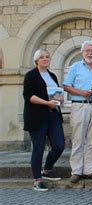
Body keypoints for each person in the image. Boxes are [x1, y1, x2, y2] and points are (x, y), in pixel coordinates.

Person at [63, 40, 92, 183]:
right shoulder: (75, 67)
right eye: (87, 50)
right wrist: (82, 93)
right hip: (80, 105)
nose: (90, 53)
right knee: (78, 139)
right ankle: (76, 171)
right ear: (82, 52)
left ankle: (89, 170)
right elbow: (66, 86)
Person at [23, 49, 65, 192]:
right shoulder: (31, 75)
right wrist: (47, 103)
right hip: (36, 116)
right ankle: (37, 180)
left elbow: (55, 93)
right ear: (36, 60)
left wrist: (60, 99)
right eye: (42, 57)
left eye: (47, 56)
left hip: (53, 115)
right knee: (38, 147)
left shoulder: (52, 75)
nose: (45, 59)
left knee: (59, 145)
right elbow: (29, 96)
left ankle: (47, 170)